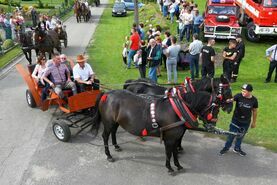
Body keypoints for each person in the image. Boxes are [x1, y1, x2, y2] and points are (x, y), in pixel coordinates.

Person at [220, 84, 258, 156]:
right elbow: (231, 100)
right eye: (242, 91)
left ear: (250, 92)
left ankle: (237, 148)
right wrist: (227, 100)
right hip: (235, 121)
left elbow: (255, 111)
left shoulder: (254, 100)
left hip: (246, 122)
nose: (242, 92)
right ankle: (226, 147)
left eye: (245, 91)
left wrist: (254, 122)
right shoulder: (238, 96)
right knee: (231, 135)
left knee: (240, 136)